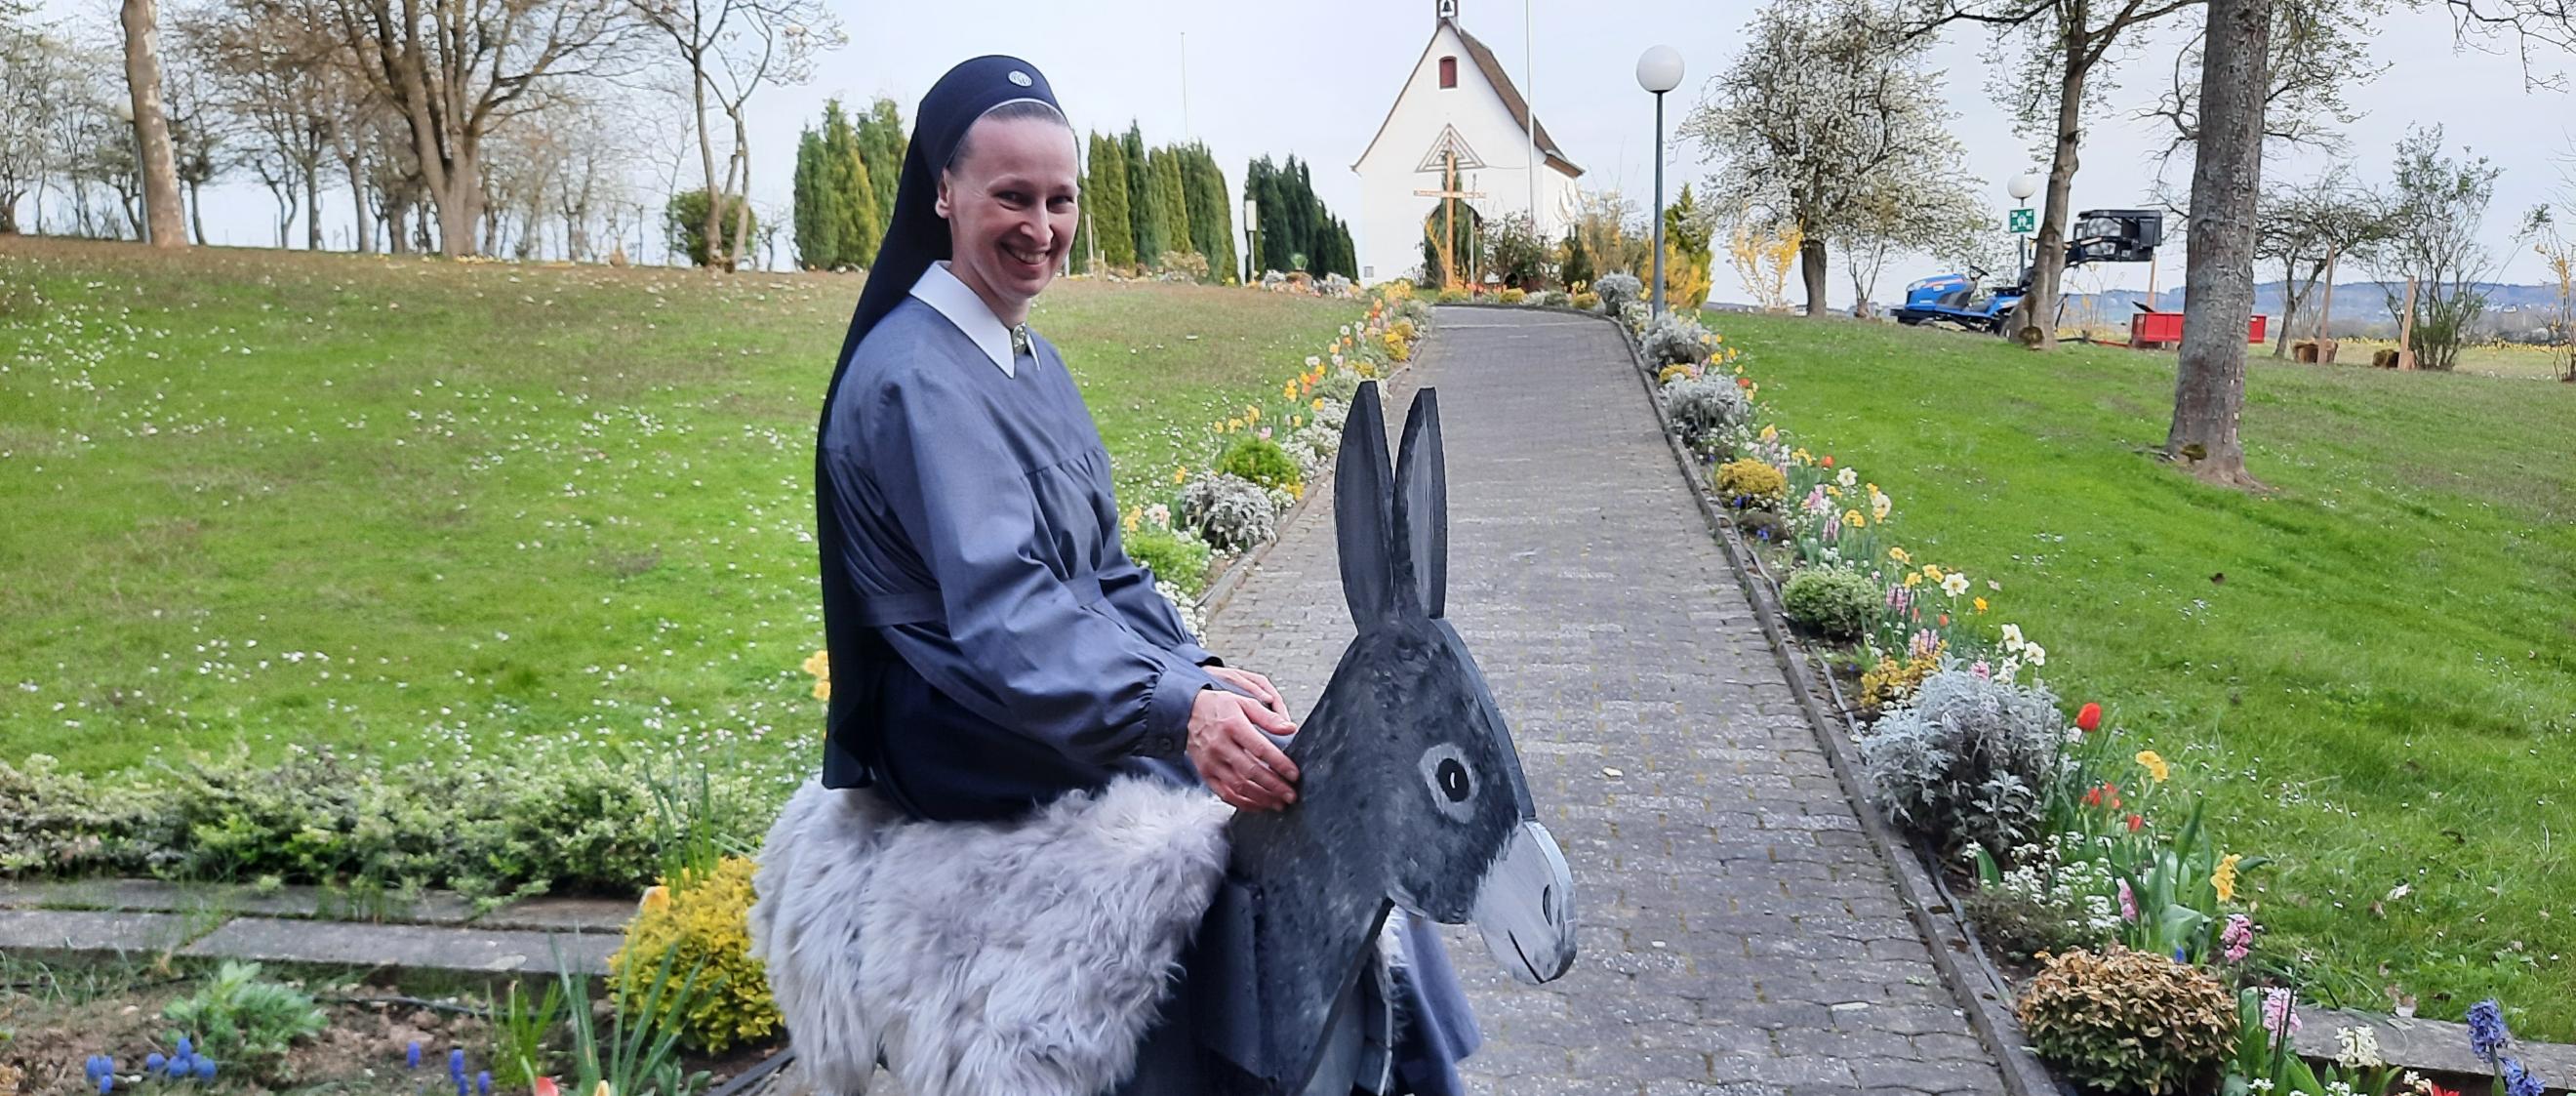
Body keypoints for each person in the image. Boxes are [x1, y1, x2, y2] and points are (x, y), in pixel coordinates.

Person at [809, 56, 1477, 1095]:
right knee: (1231, 820)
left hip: (1035, 685)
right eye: (1011, 197)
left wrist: (1200, 676)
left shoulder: (1024, 357)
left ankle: (1394, 1063)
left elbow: (1106, 571)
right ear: (942, 192)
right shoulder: (913, 377)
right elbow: (1007, 617)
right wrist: (1177, 715)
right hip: (960, 712)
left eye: (1059, 199)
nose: (1040, 226)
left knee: (1318, 780)